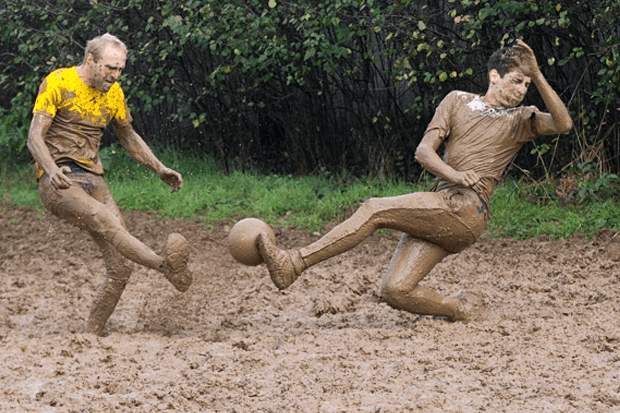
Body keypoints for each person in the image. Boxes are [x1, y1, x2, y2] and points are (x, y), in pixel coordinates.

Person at [255, 40, 573, 321]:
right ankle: (458, 308)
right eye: (517, 80)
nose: (522, 89)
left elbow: (563, 124)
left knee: (374, 209)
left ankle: (293, 263)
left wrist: (538, 75)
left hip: (465, 209)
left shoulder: (520, 119)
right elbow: (423, 152)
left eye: (527, 84)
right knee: (395, 289)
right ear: (494, 76)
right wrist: (454, 175)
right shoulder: (457, 100)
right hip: (444, 206)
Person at [27, 33, 193, 335]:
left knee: (121, 265)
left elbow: (128, 136)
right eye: (110, 68)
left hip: (94, 178)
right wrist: (50, 170)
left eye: (120, 69)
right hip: (59, 181)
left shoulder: (114, 93)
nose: (115, 75)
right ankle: (166, 267)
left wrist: (159, 168)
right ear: (90, 60)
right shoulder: (59, 82)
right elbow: (34, 137)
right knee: (104, 219)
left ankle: (94, 332)